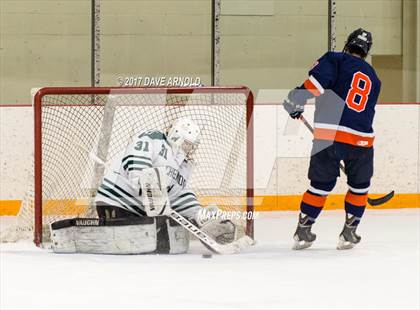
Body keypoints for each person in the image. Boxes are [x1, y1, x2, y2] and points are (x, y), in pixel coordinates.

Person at [283, 28, 381, 250]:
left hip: (329, 135)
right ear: (366, 51)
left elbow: (316, 86)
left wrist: (295, 99)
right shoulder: (374, 77)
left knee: (320, 185)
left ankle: (303, 231)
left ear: (348, 44)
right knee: (360, 187)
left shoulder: (335, 59)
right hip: (362, 139)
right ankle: (349, 234)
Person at [95, 117, 235, 250]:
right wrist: (145, 182)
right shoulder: (154, 139)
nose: (190, 149)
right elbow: (135, 161)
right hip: (116, 203)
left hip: (142, 214)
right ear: (176, 136)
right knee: (144, 245)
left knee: (163, 245)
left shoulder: (183, 165)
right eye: (187, 144)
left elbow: (178, 195)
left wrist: (199, 215)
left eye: (192, 146)